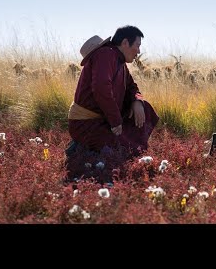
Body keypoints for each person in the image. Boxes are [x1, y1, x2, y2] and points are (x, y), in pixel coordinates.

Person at [65, 25, 159, 184]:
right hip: (87, 123)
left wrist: (137, 101)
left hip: (104, 120)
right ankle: (79, 148)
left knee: (145, 109)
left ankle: (91, 148)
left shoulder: (119, 62)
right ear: (124, 43)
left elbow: (132, 87)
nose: (138, 51)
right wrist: (116, 121)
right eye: (137, 45)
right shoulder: (105, 55)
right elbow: (101, 88)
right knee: (118, 149)